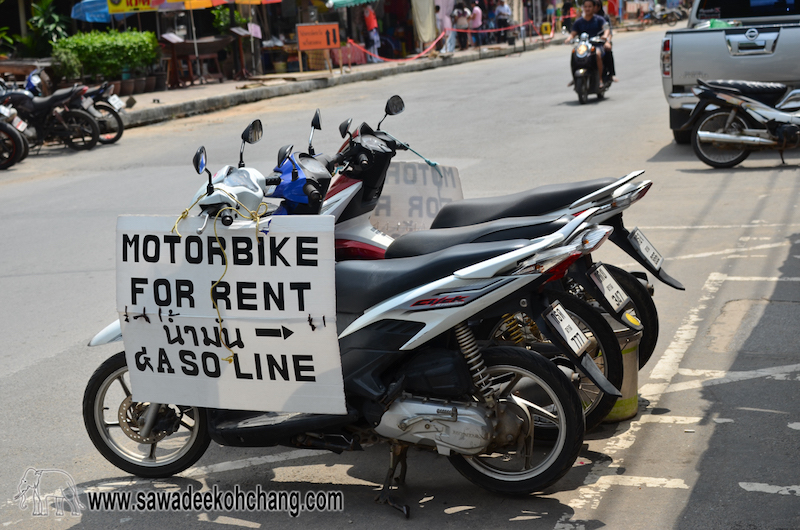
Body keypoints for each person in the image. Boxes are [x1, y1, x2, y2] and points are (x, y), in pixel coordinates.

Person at [564, 0, 609, 86]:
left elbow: (606, 29)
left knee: (597, 54)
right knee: (574, 54)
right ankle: (575, 78)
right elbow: (573, 33)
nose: (587, 9)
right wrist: (568, 39)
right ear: (583, 8)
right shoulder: (579, 21)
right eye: (586, 6)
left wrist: (605, 36)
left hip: (596, 45)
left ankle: (600, 80)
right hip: (584, 46)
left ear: (594, 7)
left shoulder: (599, 19)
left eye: (590, 6)